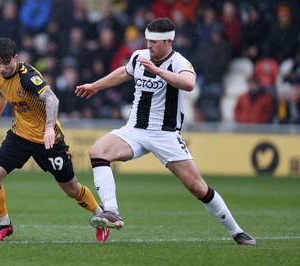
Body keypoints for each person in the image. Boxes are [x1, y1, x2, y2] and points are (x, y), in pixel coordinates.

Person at [75, 18, 256, 245]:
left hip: (165, 134)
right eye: (148, 40)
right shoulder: (139, 57)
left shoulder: (179, 62)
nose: (149, 45)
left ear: (168, 41)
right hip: (135, 130)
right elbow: (124, 72)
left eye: (154, 42)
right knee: (98, 151)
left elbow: (189, 83)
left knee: (197, 187)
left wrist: (158, 72)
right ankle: (111, 211)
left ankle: (237, 231)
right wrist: (95, 86)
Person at [0, 37, 108, 242]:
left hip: (49, 141)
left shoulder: (28, 77)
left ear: (16, 58)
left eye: (6, 63)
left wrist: (49, 127)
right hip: (19, 136)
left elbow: (52, 98)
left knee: (71, 189)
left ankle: (100, 216)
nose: (2, 68)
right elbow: (1, 95)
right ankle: (5, 224)